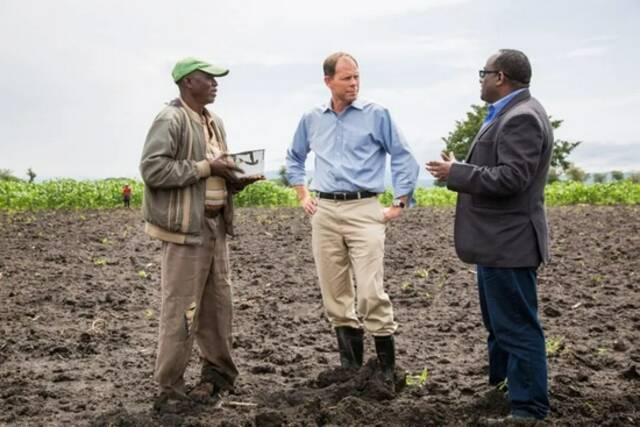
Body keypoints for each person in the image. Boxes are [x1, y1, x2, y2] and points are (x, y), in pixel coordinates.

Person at [426, 49, 551, 422]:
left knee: (516, 326)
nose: (480, 79)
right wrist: (460, 168)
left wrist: (457, 173)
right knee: (500, 326)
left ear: (501, 77)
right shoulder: (511, 114)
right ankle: (505, 393)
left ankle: (528, 409)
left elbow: (513, 178)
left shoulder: (522, 118)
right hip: (497, 243)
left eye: (484, 72)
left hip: (509, 243)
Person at [285, 52, 419, 387]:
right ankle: (351, 370)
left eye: (357, 77)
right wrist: (303, 194)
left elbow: (403, 155)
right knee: (335, 295)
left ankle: (386, 372)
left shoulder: (377, 115)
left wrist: (400, 202)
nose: (354, 84)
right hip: (326, 211)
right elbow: (294, 157)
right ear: (328, 81)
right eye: (347, 78)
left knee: (370, 292)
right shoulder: (312, 119)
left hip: (364, 211)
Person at [139, 57, 262, 412]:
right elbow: (153, 169)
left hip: (215, 225)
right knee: (181, 310)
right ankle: (170, 388)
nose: (215, 84)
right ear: (187, 82)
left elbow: (213, 172)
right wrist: (208, 166)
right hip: (185, 231)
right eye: (208, 79)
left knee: (218, 307)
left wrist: (234, 178)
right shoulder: (170, 119)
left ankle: (218, 376)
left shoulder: (213, 122)